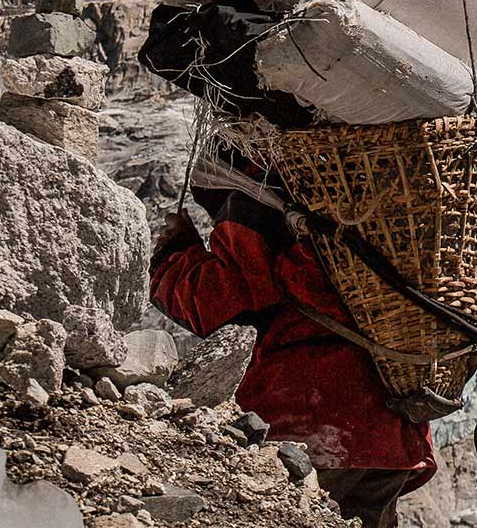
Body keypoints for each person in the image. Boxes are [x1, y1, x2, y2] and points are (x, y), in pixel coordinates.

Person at [150, 178, 435, 528]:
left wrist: (172, 255)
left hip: (308, 418)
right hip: (395, 429)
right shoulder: (397, 194)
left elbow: (224, 303)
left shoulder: (264, 189)